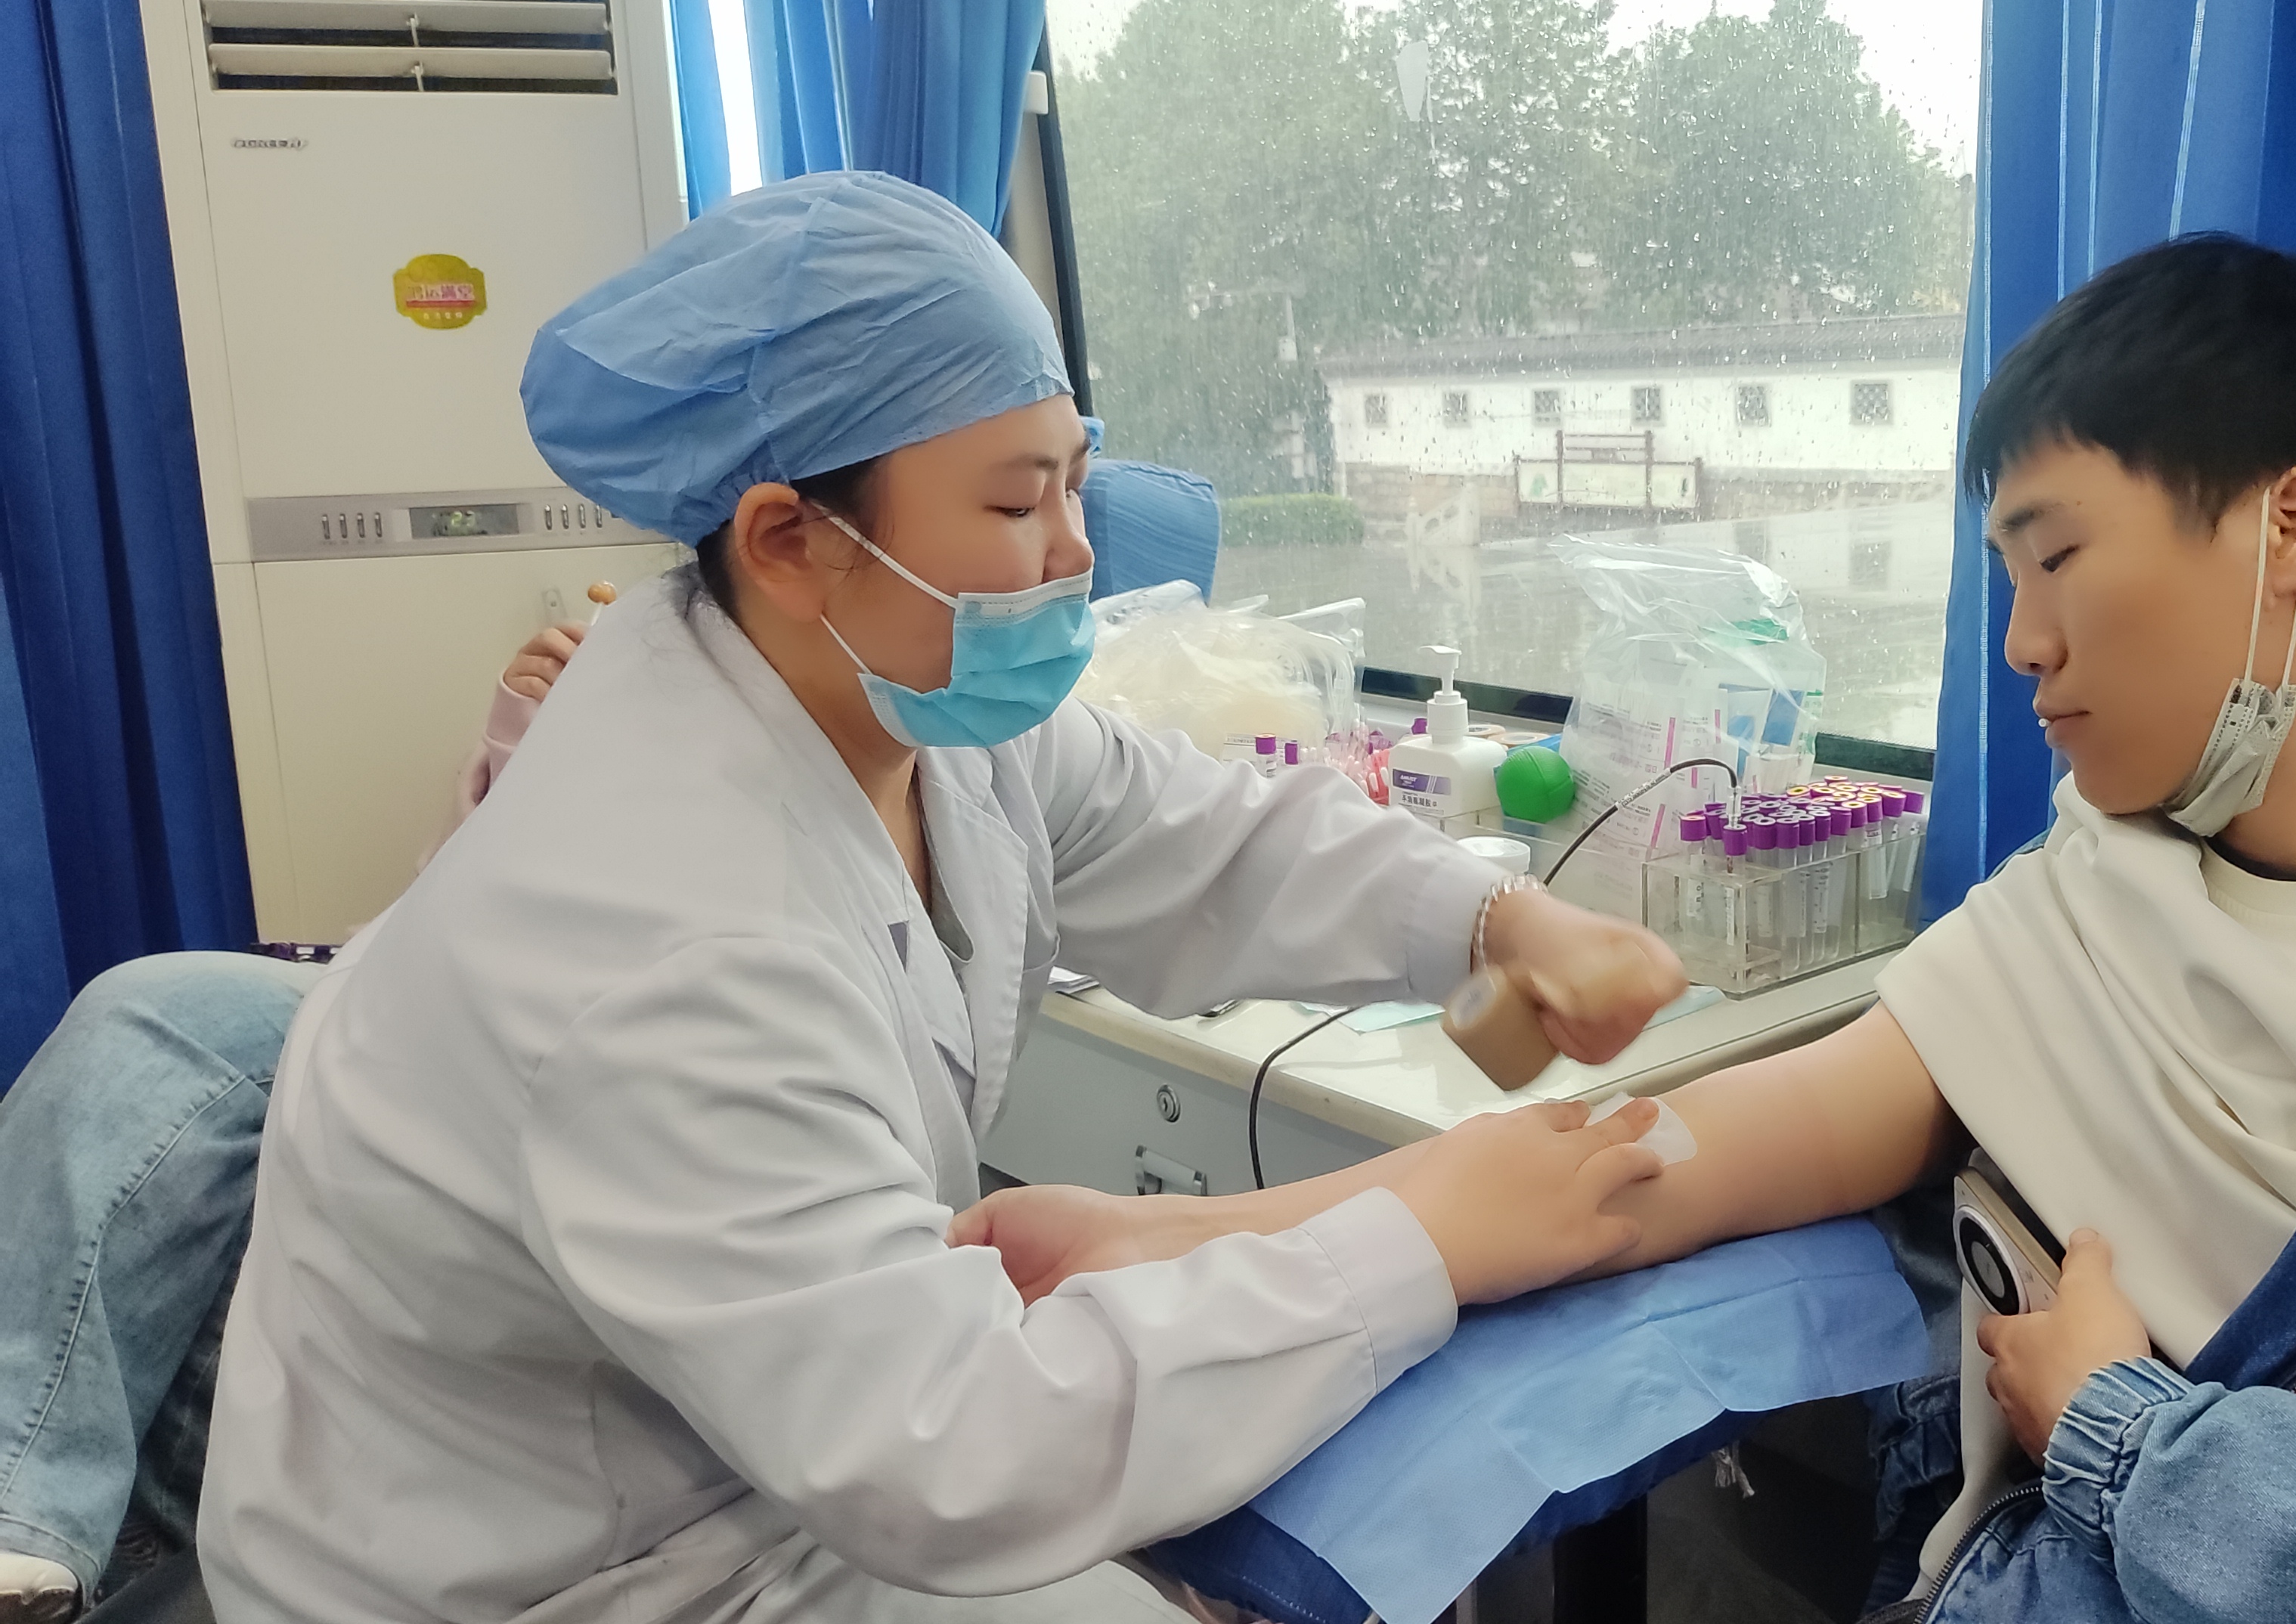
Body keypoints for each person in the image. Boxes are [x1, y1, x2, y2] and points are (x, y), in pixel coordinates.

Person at [957, 235, 2296, 1621]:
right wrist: (1166, 1240)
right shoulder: (2109, 885)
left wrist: (2134, 1434)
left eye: (2055, 559)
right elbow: (1651, 1166)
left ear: (2290, 525)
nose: (2020, 647)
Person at [194, 170, 1687, 1624]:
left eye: (1074, 482)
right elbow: (953, 1446)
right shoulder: (661, 935)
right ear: (789, 541)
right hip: (544, 1571)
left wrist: (1494, 922)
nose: (1076, 551)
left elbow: (1200, 830)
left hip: (734, 1457)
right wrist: (1423, 1242)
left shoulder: (901, 703)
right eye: (1018, 502)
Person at [0, 622, 587, 1622]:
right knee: (164, 1054)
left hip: (532, 1123)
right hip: (440, 1041)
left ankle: (39, 1519)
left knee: (177, 1019)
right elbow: (449, 921)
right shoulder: (679, 713)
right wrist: (528, 738)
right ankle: (33, 1523)